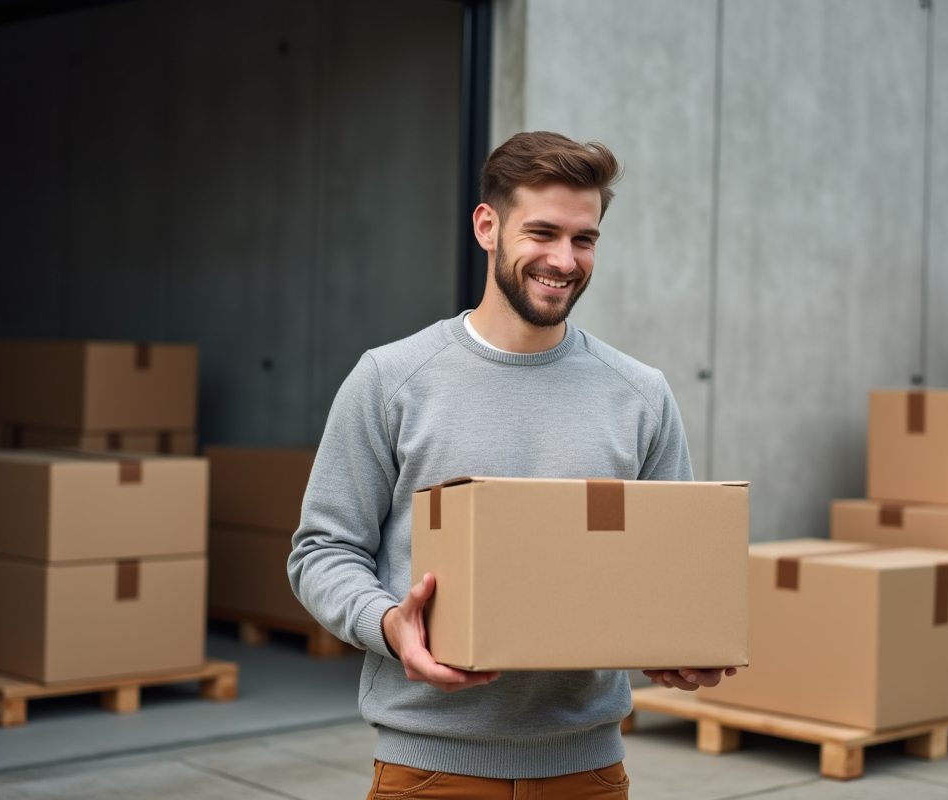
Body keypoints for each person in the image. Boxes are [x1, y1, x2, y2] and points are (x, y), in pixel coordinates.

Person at [288, 131, 736, 800]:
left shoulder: (639, 393)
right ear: (487, 226)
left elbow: (665, 573)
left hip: (587, 772)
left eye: (584, 240)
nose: (564, 259)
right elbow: (322, 551)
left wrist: (680, 643)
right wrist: (390, 625)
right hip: (430, 770)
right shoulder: (392, 380)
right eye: (544, 232)